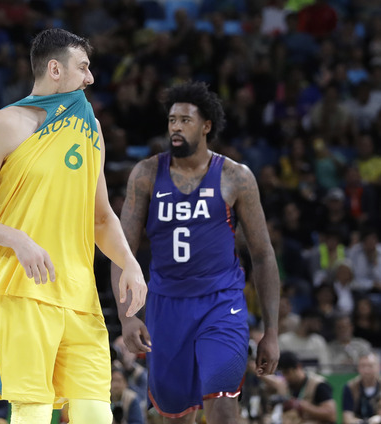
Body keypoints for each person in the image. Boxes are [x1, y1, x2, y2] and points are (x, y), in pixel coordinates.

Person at [0, 28, 147, 424]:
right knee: (33, 413)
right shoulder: (1, 126)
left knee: (95, 415)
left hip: (80, 294)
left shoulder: (90, 127)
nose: (90, 79)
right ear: (55, 69)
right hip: (23, 289)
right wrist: (15, 238)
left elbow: (102, 216)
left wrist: (130, 262)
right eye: (84, 68)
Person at [111, 81, 280, 423]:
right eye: (172, 120)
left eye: (185, 120)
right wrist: (127, 316)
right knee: (176, 415)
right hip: (166, 305)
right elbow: (121, 252)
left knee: (223, 405)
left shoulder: (236, 177)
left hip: (221, 302)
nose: (175, 127)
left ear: (206, 126)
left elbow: (263, 255)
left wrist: (272, 332)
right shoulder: (145, 174)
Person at [262, 351, 336, 424]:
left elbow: (331, 415)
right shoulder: (286, 385)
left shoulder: (318, 384)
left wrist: (301, 406)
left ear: (298, 367)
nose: (285, 377)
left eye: (287, 372)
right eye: (283, 374)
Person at [342, 352, 381, 424]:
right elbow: (347, 417)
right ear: (358, 368)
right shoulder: (350, 387)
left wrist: (378, 419)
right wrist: (362, 422)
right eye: (363, 366)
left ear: (378, 367)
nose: (366, 370)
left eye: (370, 366)